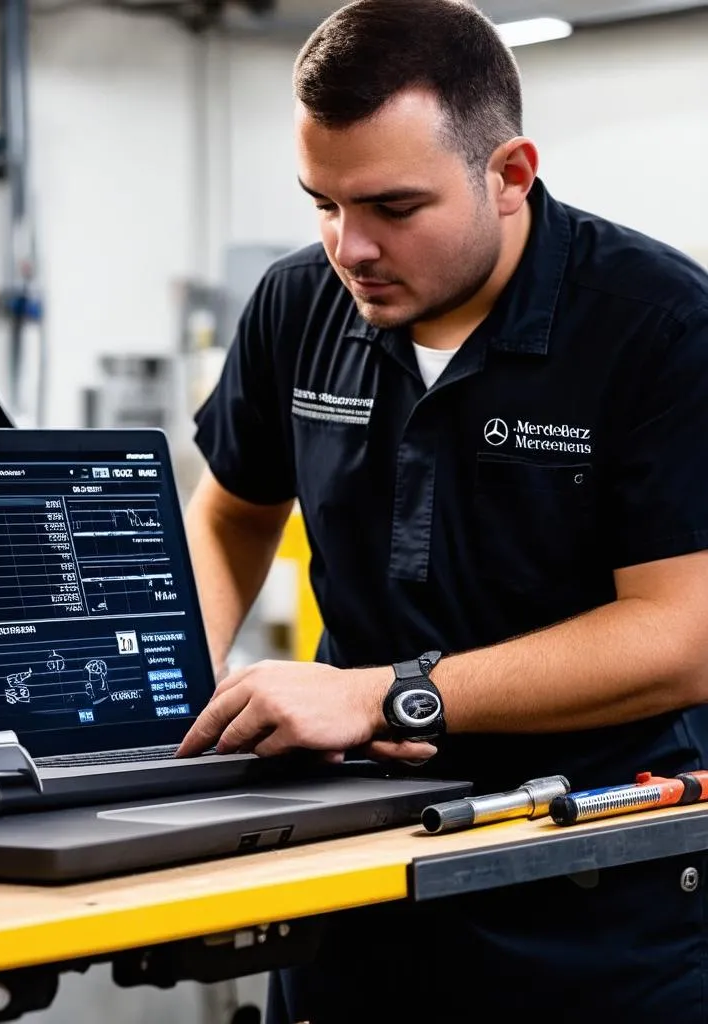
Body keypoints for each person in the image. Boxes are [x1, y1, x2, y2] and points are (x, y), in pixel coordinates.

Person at [175, 0, 708, 1019]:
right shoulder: (298, 304)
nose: (350, 246)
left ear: (508, 175)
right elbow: (231, 510)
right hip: (352, 860)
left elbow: (681, 635)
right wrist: (179, 682)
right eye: (322, 204)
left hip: (591, 889)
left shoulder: (658, 328)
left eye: (392, 206)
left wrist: (388, 694)